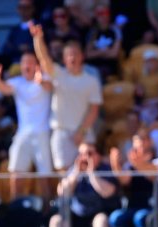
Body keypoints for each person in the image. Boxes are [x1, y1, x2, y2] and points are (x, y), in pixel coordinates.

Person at [30, 21, 102, 173]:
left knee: (88, 171)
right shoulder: (58, 74)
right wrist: (38, 39)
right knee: (64, 174)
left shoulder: (91, 81)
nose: (72, 58)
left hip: (83, 133)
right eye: (68, 55)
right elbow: (44, 59)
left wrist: (81, 132)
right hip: (61, 133)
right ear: (64, 59)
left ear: (82, 56)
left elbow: (94, 110)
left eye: (75, 54)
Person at [0, 54, 52, 201]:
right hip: (23, 134)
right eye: (24, 63)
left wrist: (40, 81)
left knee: (45, 176)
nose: (27, 66)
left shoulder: (45, 78)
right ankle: (15, 208)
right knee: (16, 174)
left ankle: (48, 211)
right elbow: (3, 89)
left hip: (42, 133)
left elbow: (49, 87)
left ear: (36, 65)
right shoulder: (17, 82)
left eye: (30, 63)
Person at [48, 142, 119, 227]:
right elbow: (62, 192)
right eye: (81, 154)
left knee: (101, 220)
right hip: (76, 216)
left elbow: (107, 192)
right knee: (56, 221)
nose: (85, 157)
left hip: (97, 214)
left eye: (89, 153)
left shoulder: (105, 169)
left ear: (98, 155)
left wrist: (91, 173)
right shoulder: (74, 171)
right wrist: (76, 173)